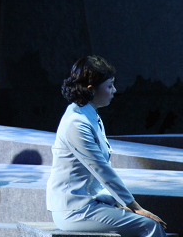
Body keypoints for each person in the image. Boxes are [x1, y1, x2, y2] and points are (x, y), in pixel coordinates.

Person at [46, 56, 167, 237]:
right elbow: (101, 170)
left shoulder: (89, 114)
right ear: (91, 89)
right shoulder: (76, 122)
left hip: (90, 200)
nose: (114, 90)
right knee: (149, 226)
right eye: (110, 86)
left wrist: (122, 203)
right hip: (75, 208)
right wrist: (135, 207)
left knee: (139, 218)